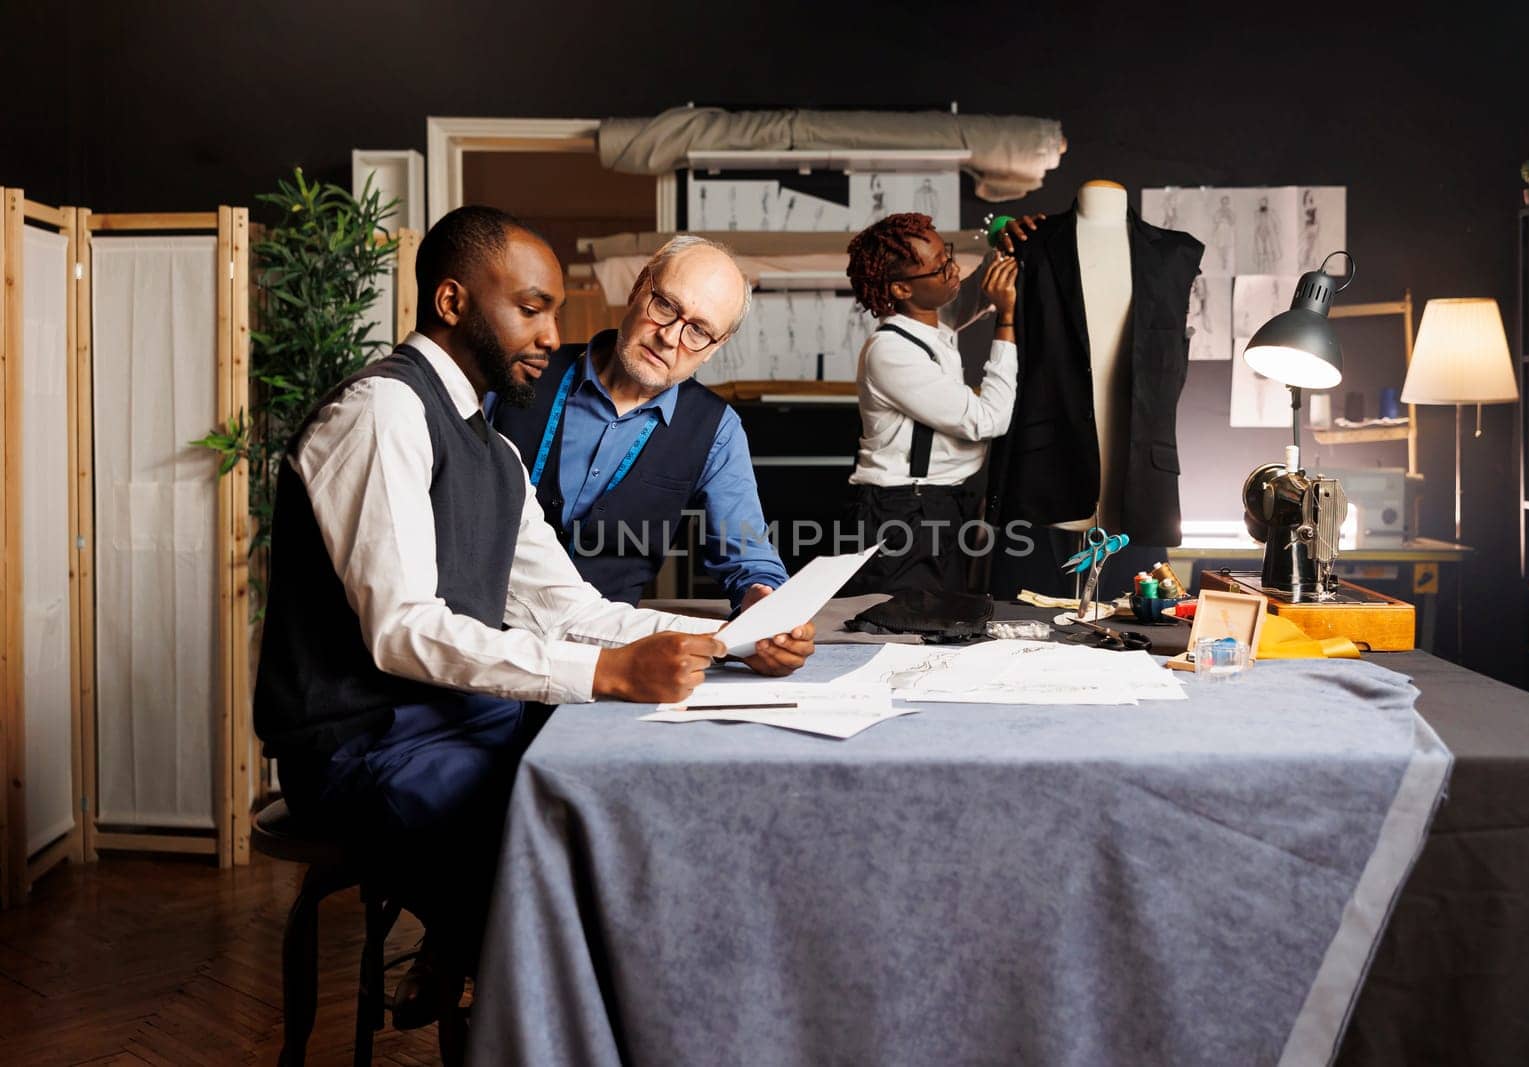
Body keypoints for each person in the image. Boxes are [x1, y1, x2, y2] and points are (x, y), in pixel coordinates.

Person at [252, 206, 815, 1025]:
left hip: (456, 714)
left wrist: (715, 639)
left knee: (605, 810)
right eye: (531, 307)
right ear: (452, 301)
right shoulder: (384, 411)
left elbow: (568, 606)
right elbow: (401, 628)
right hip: (359, 740)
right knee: (556, 858)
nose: (553, 332)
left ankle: (585, 1005)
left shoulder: (491, 444)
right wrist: (606, 669)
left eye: (552, 309)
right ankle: (543, 1013)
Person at [494, 236, 788, 611]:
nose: (668, 337)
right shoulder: (523, 372)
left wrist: (767, 605)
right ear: (638, 289)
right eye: (665, 305)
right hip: (482, 630)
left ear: (716, 346)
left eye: (698, 330)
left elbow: (749, 559)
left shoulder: (717, 432)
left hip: (605, 647)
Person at [840, 212, 1029, 596]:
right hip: (903, 511)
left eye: (949, 255)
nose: (954, 268)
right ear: (901, 290)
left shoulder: (930, 323)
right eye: (940, 267)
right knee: (902, 632)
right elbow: (987, 420)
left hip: (938, 503)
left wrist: (1003, 244)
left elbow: (973, 293)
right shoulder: (890, 350)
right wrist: (1006, 322)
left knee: (942, 626)